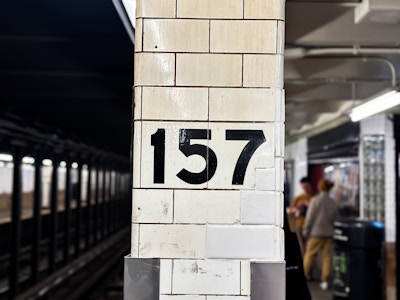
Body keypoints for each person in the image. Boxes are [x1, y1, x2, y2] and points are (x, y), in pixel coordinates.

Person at [302, 179, 339, 291]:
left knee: (309, 255)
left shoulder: (315, 200)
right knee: (327, 258)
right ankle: (325, 280)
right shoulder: (334, 203)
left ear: (320, 187)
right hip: (329, 234)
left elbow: (310, 217)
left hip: (316, 233)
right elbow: (335, 220)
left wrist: (305, 230)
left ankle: (304, 276)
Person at [289, 177, 314, 252]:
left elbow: (319, 211)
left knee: (310, 248)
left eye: (306, 187)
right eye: (303, 187)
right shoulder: (298, 198)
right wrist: (298, 207)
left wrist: (308, 204)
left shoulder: (314, 197)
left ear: (310, 185)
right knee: (301, 248)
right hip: (300, 225)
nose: (305, 189)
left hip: (311, 226)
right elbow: (291, 211)